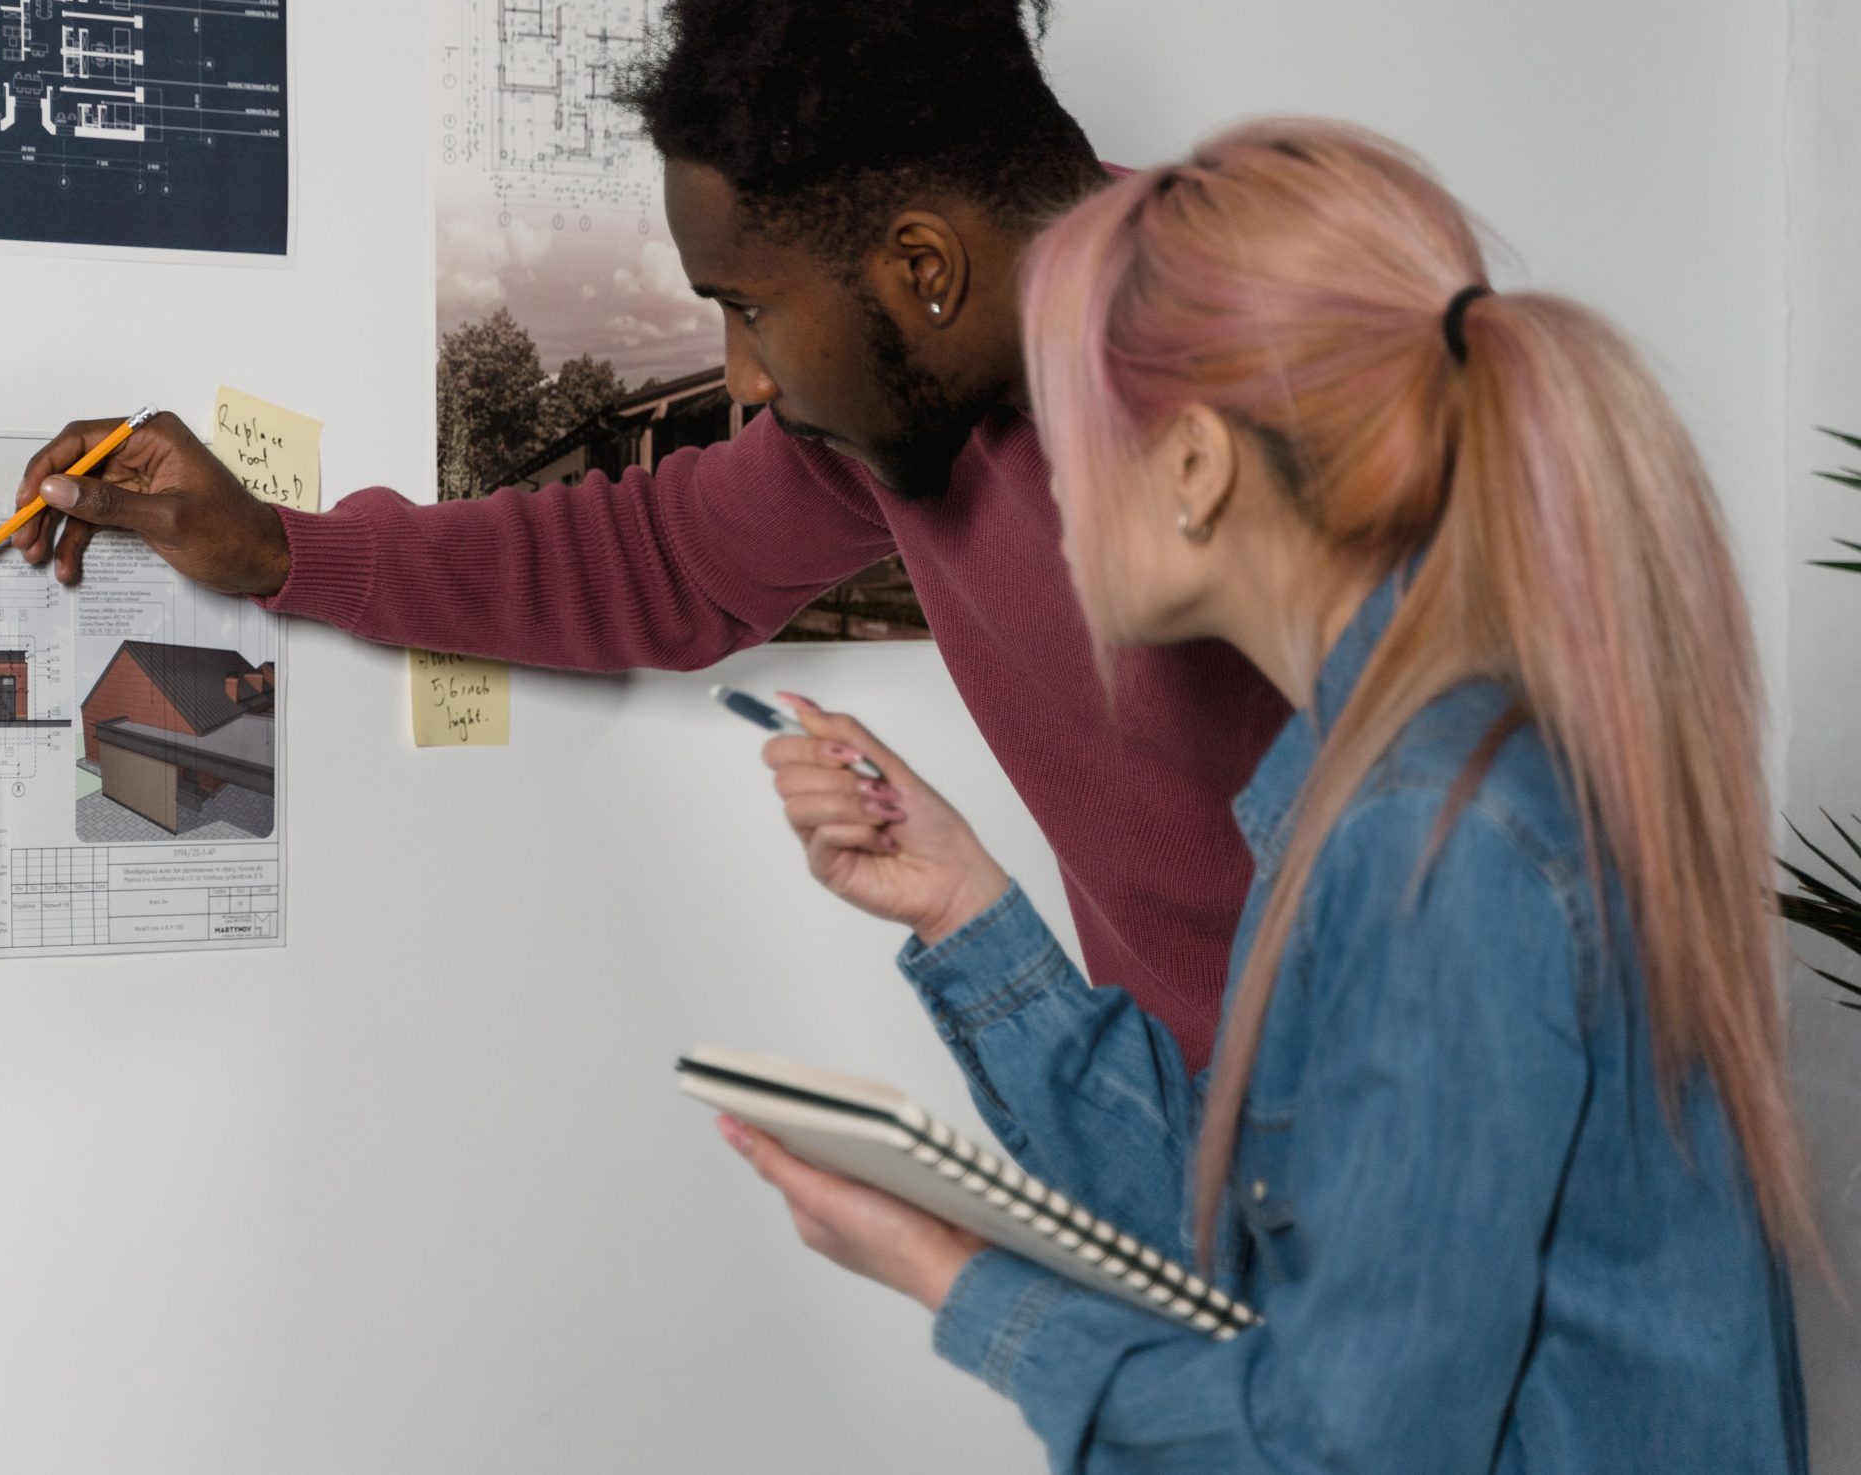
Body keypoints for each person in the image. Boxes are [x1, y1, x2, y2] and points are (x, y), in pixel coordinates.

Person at [10, 0, 1286, 1068]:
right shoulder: (919, 396)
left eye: (750, 307)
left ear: (922, 270)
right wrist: (281, 547)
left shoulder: (1294, 391)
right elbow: (657, 556)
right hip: (1205, 1159)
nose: (744, 380)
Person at [723, 120, 1811, 1470]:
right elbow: (1262, 1248)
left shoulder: (1439, 828)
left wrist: (958, 1279)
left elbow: (1338, 1446)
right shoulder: (1387, 780)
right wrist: (964, 905)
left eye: (1062, 432)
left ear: (1194, 466)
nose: (1045, 495)